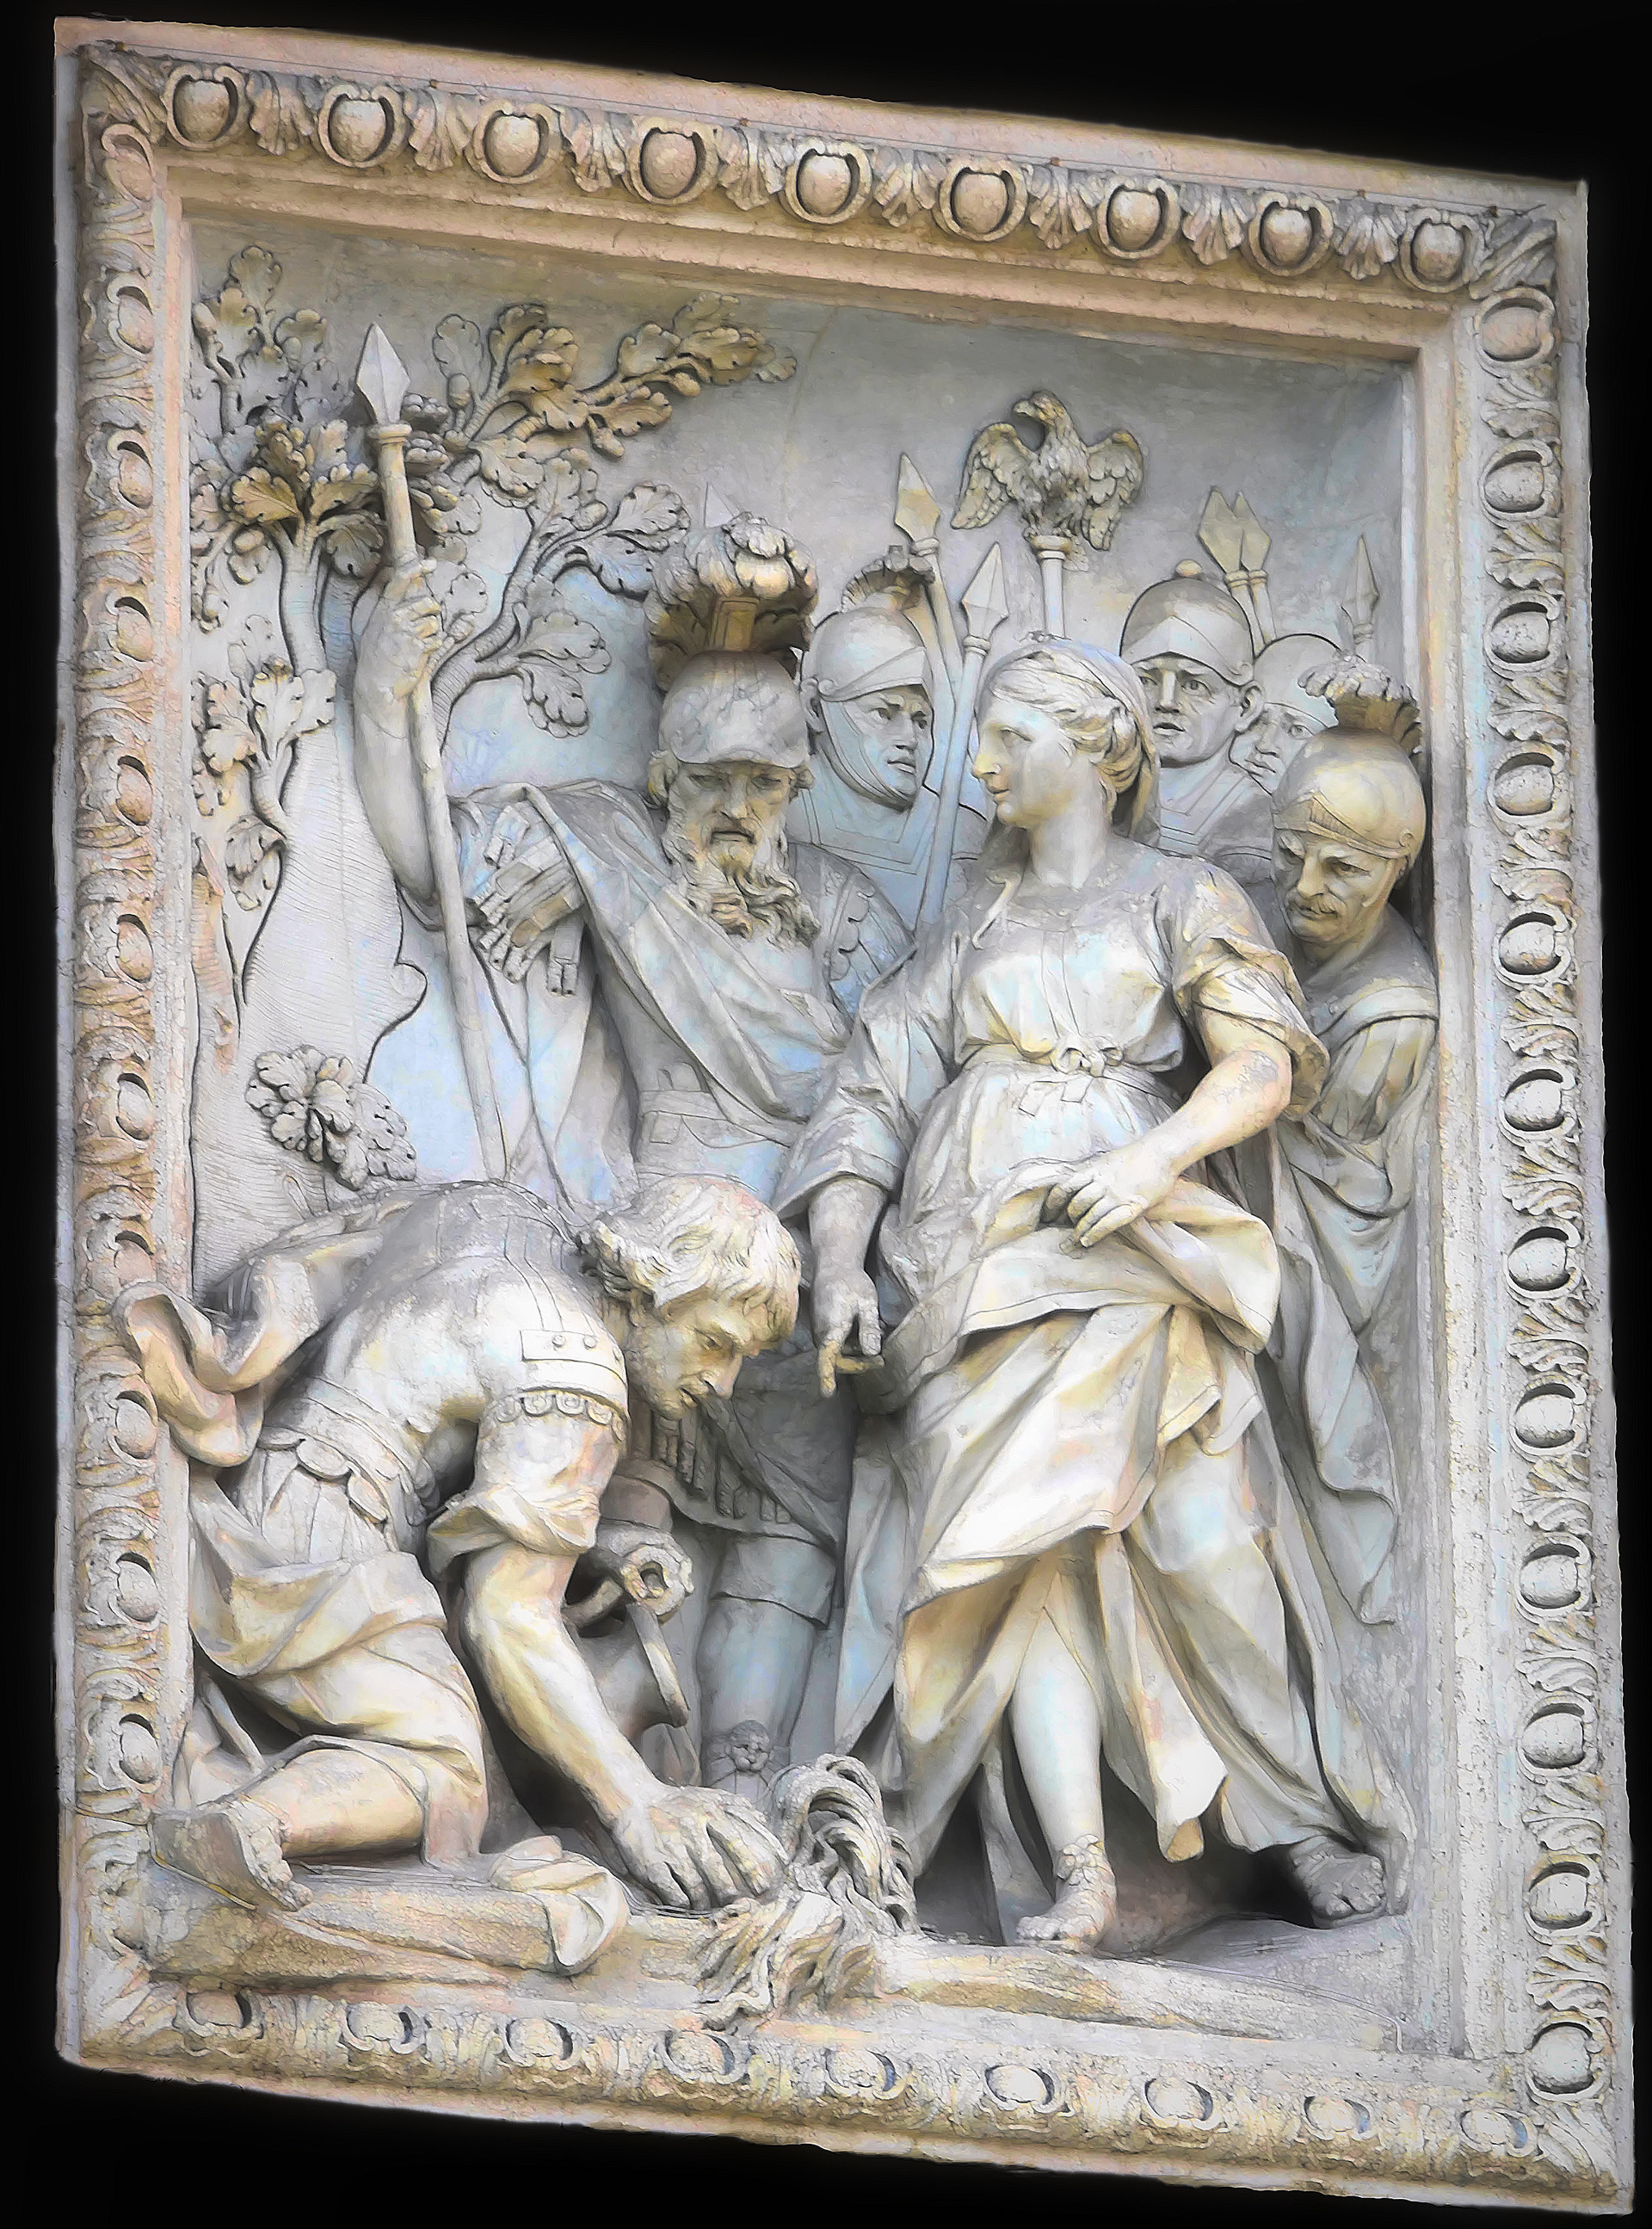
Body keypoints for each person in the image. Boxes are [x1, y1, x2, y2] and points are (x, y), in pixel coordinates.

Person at [776, 638, 1412, 1953]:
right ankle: (1073, 1870)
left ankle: (1290, 1810)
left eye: (1011, 733)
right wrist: (837, 1260)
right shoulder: (973, 920)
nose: (981, 762)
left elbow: (1261, 1067)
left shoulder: (1181, 895)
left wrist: (1149, 1158)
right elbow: (868, 1099)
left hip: (1132, 1245)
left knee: (1204, 1540)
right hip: (969, 1266)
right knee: (1021, 1559)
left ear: (1103, 750)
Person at [352, 524, 910, 1793]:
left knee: (790, 1544)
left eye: (764, 782)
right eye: (711, 780)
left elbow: (904, 1083)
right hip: (664, 1263)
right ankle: (625, 1781)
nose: (738, 808)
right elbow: (431, 856)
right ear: (663, 778)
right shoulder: (599, 847)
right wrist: (386, 688)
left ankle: (751, 1781)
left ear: (798, 782)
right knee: (626, 1524)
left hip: (810, 1273)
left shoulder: (852, 916)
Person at [116, 1176, 798, 1917]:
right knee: (452, 1772)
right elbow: (507, 1620)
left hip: (259, 1486)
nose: (723, 1383)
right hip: (326, 1557)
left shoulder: (503, 1217)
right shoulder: (579, 1378)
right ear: (647, 1289)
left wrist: (597, 1544)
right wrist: (637, 1802)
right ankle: (252, 1822)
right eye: (714, 1342)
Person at [791, 602, 989, 929]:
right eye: (883, 713)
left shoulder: (961, 835)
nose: (909, 738)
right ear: (815, 708)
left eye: (921, 721)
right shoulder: (781, 813)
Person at [1121, 561, 1285, 935]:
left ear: (1245, 707)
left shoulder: (1259, 827)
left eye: (1193, 684)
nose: (1166, 701)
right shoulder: (1097, 798)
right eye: (1146, 680)